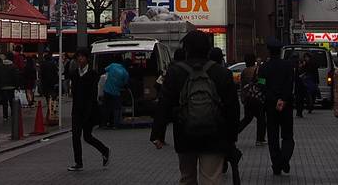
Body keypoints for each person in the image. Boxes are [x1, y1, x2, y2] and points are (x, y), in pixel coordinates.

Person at [151, 29, 240, 185]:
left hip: (184, 133)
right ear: (208, 48)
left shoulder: (175, 72)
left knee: (187, 177)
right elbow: (232, 107)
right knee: (211, 178)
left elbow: (164, 103)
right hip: (215, 135)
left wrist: (158, 134)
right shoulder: (221, 73)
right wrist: (232, 136)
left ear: (187, 49)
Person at [67, 47, 110, 170]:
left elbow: (93, 95)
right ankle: (78, 162)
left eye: (82, 56)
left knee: (87, 136)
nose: (80, 59)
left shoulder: (92, 74)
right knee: (75, 136)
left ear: (87, 58)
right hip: (76, 110)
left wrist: (89, 111)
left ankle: (105, 150)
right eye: (78, 57)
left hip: (89, 111)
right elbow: (73, 93)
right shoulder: (74, 74)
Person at [258, 37, 296, 174]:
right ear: (280, 51)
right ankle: (284, 159)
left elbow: (261, 86)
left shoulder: (263, 68)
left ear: (269, 51)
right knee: (287, 136)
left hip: (270, 106)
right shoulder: (288, 66)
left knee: (273, 137)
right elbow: (290, 84)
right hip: (286, 105)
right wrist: (283, 99)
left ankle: (276, 164)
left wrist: (274, 100)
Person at [236, 53, 266, 145]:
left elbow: (242, 86)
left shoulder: (244, 71)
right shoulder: (258, 69)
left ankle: (233, 133)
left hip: (248, 98)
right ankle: (260, 139)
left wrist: (243, 98)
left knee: (247, 118)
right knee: (261, 119)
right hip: (257, 98)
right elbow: (262, 82)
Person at [101, 57, 130, 128]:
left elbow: (104, 70)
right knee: (116, 108)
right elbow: (125, 84)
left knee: (106, 108)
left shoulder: (113, 65)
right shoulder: (125, 73)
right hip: (116, 93)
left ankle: (104, 123)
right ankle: (115, 124)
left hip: (106, 90)